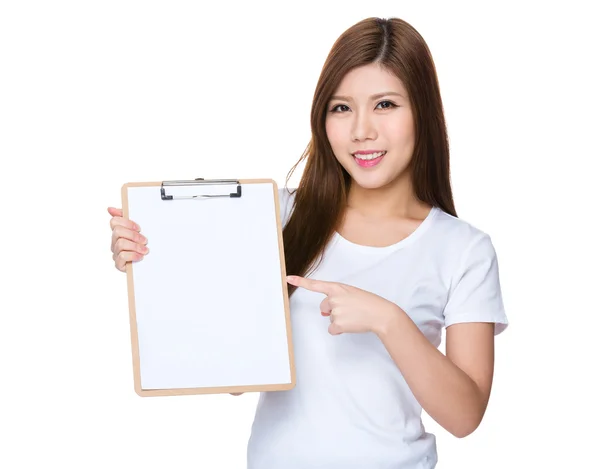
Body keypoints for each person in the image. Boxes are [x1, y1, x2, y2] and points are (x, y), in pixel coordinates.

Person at [108, 16, 508, 469]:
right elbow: (233, 372)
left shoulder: (463, 249)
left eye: (385, 104)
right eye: (341, 108)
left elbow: (465, 415)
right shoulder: (277, 216)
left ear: (423, 112)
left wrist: (389, 321)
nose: (362, 131)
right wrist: (152, 259)